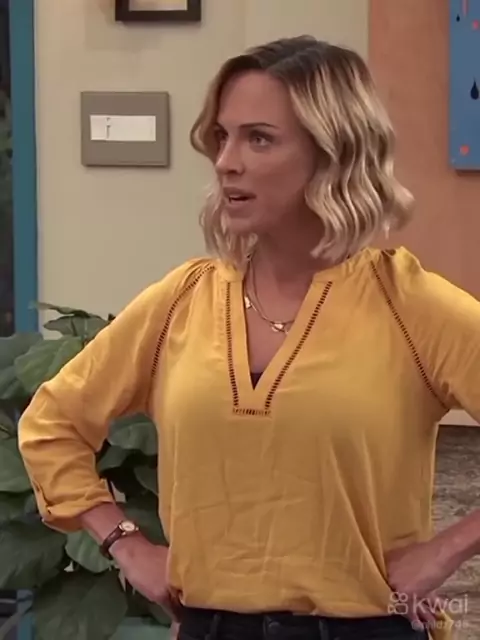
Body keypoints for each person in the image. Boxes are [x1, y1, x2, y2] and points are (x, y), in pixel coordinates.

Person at [18, 35, 480, 640]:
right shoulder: (183, 300)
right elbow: (52, 424)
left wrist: (445, 551)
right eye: (222, 136)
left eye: (259, 138)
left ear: (333, 151)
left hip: (363, 627)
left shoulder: (408, 305)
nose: (226, 161)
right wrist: (126, 543)